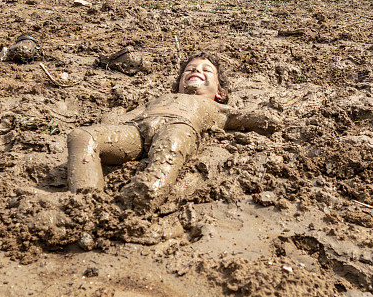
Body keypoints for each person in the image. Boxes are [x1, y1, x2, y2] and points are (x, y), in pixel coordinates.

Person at [67, 53, 278, 211]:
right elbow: (118, 121)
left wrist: (271, 117)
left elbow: (254, 119)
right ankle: (85, 200)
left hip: (179, 127)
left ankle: (144, 196)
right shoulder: (157, 100)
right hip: (137, 129)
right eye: (190, 69)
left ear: (220, 93)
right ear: (178, 84)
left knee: (171, 147)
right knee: (82, 136)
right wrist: (114, 114)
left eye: (207, 70)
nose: (196, 71)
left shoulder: (219, 108)